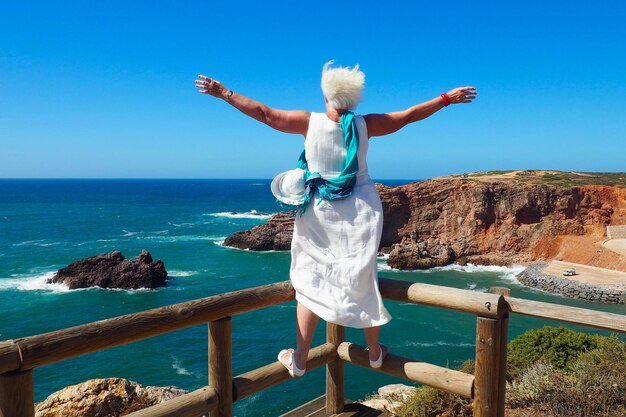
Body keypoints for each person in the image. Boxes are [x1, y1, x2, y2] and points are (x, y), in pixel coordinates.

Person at [195, 62, 477, 378]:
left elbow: (264, 113)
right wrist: (446, 98)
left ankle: (299, 359)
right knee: (363, 276)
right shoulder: (364, 125)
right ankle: (374, 354)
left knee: (310, 279)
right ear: (354, 97)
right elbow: (408, 116)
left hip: (320, 210)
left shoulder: (309, 121)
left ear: (327, 94)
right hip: (362, 210)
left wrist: (224, 93)